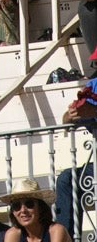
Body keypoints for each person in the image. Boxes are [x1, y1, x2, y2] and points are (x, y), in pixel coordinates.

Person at [55, 81, 97, 234]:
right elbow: (66, 123)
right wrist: (69, 116)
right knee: (66, 179)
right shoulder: (93, 85)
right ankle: (66, 237)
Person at [3, 177, 70, 242]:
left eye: (29, 204)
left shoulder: (56, 231)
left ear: (40, 207)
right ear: (13, 212)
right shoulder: (13, 234)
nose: (23, 210)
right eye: (17, 206)